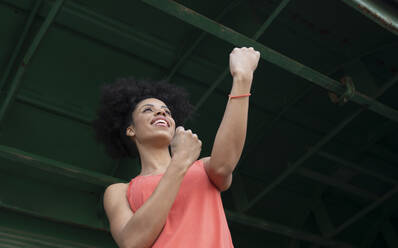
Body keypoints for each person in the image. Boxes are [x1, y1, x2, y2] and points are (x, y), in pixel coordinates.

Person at [92, 47, 260, 248]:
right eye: (148, 110)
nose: (161, 114)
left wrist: (242, 79)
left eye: (166, 112)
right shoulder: (119, 192)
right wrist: (179, 162)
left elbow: (224, 166)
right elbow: (132, 241)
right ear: (130, 130)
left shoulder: (203, 168)